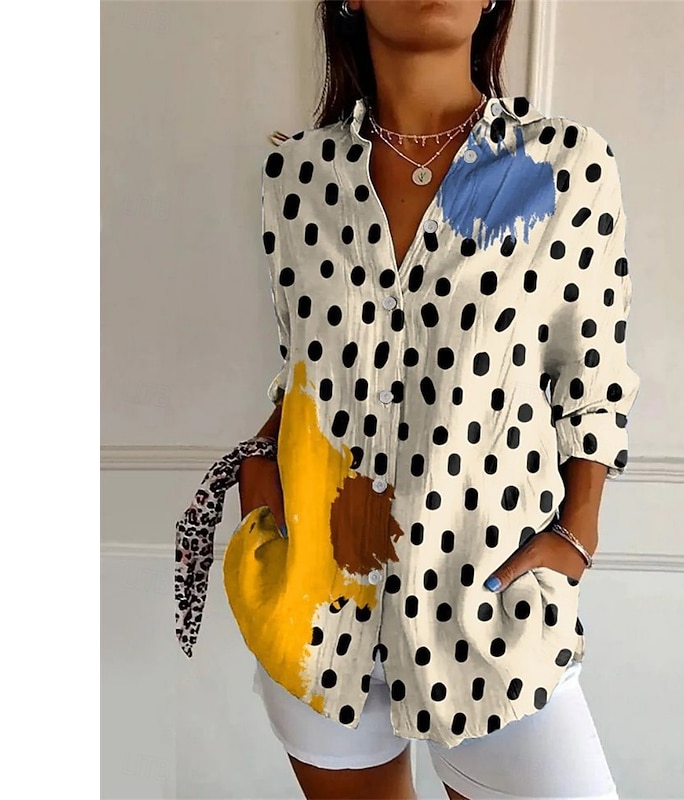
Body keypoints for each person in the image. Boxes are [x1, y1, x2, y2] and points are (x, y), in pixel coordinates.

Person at [178, 1, 641, 797]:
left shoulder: (565, 166)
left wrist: (580, 531)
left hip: (492, 615)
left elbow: (591, 379)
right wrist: (259, 477)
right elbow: (304, 367)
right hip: (321, 612)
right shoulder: (296, 180)